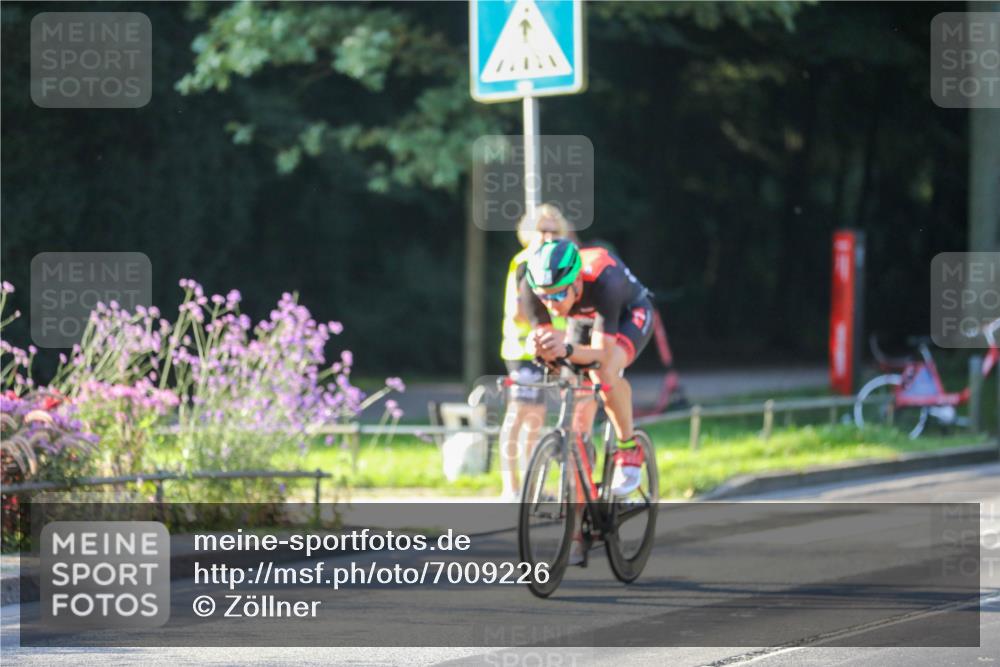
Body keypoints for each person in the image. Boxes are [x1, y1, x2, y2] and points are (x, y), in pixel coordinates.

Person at [522, 239, 655, 562]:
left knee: (605, 372)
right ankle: (579, 525)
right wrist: (542, 347)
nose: (551, 304)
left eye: (557, 295)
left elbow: (600, 354)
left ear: (577, 281)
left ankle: (628, 446)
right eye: (544, 296)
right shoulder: (532, 286)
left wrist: (566, 349)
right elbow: (550, 345)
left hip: (627, 313)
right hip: (583, 322)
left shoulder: (604, 280)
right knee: (577, 427)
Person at [498, 205, 572, 500]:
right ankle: (511, 487)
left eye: (554, 231)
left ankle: (529, 486)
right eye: (542, 230)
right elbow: (518, 313)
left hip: (547, 349)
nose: (548, 236)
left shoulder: (551, 260)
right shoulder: (525, 262)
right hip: (523, 349)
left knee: (536, 418)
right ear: (529, 233)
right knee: (518, 415)